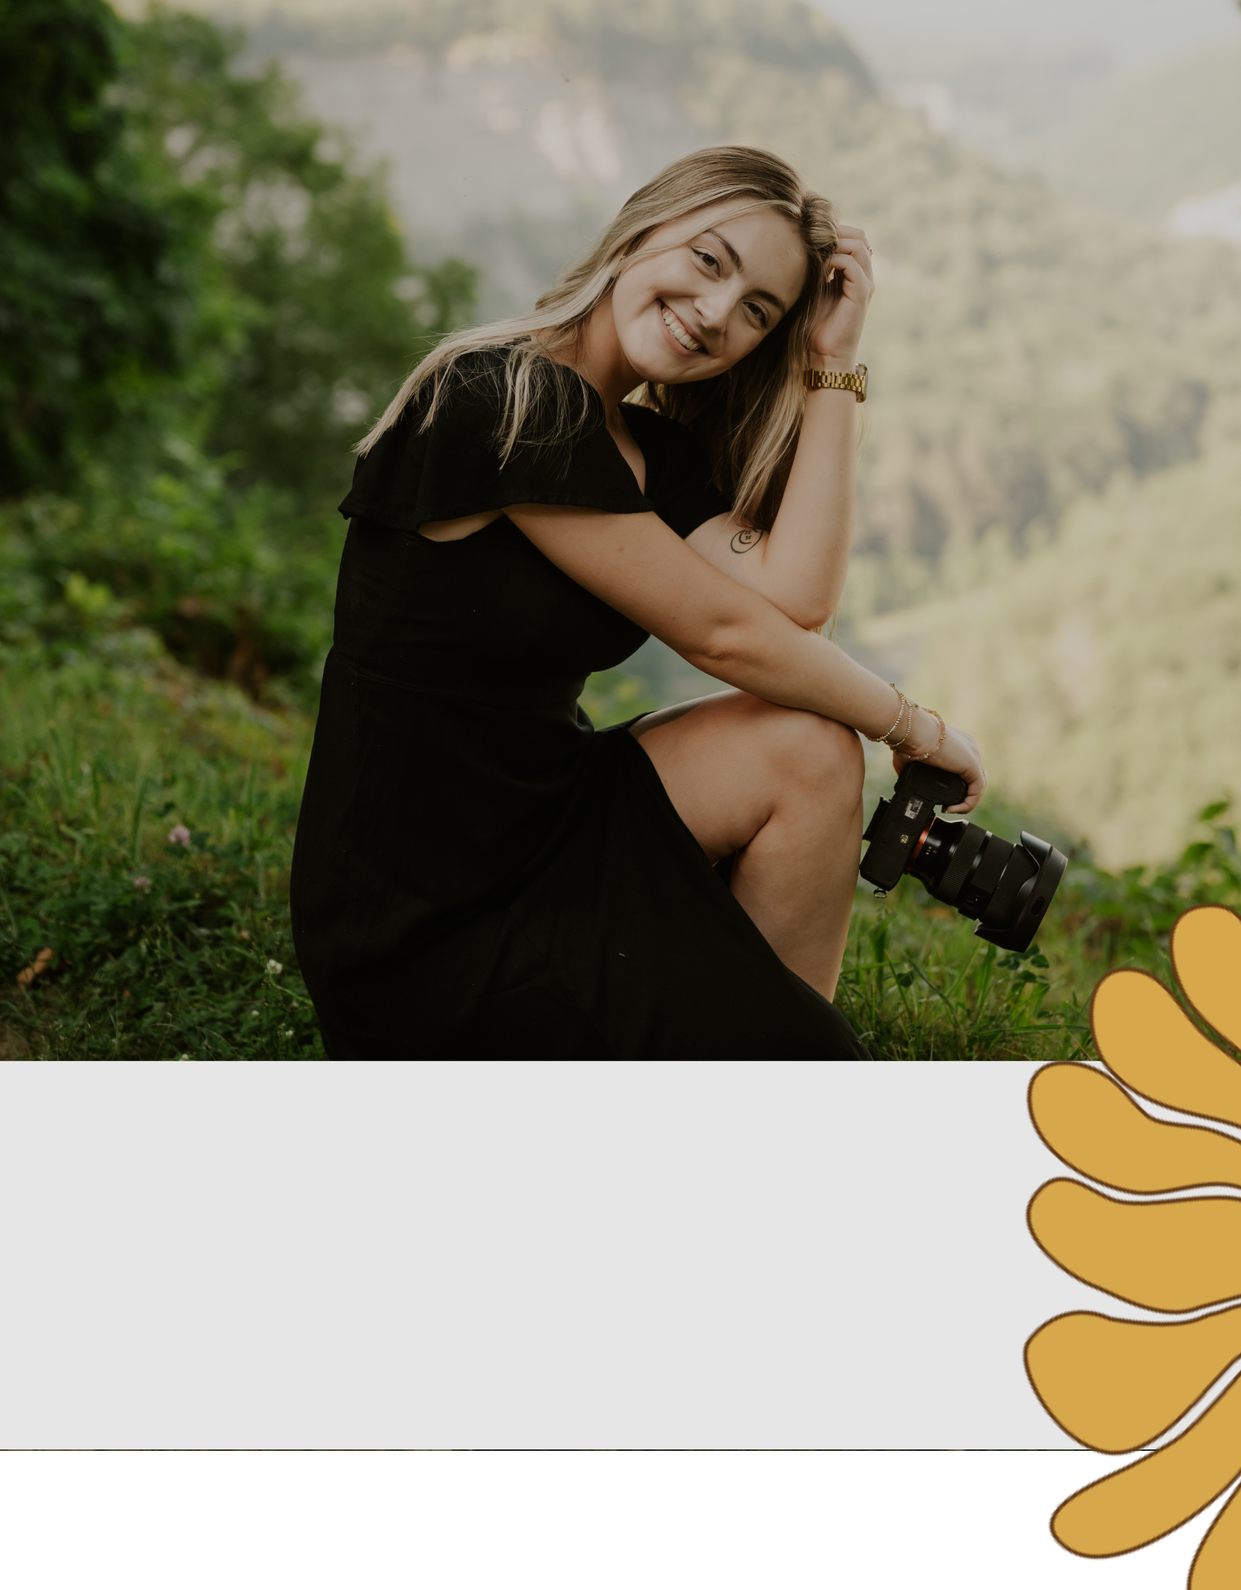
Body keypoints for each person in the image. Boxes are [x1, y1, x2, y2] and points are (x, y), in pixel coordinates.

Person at [289, 144, 986, 1058]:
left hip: (545, 821)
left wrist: (834, 364)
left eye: (756, 311)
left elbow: (793, 598)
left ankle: (770, 1039)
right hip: (425, 913)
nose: (714, 315)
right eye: (709, 260)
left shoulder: (647, 449)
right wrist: (916, 728)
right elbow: (726, 634)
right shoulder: (503, 399)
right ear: (643, 226)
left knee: (809, 748)